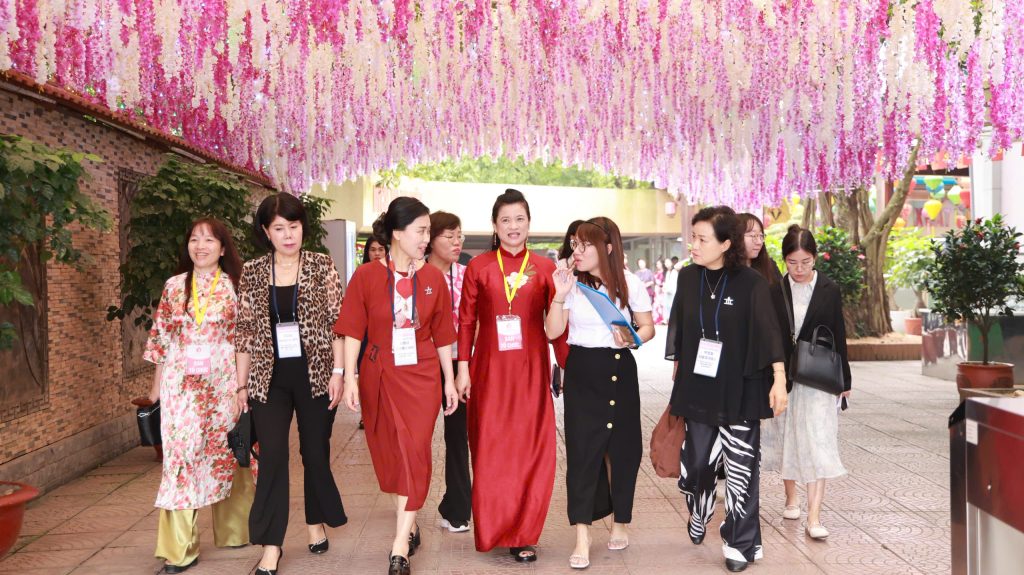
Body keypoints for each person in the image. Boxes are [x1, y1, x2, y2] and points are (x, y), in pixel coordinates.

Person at [335, 197, 459, 575]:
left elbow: (443, 334)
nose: (426, 239)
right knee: (388, 455)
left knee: (414, 452)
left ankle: (400, 545)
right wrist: (350, 377)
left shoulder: (433, 278)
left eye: (428, 232)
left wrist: (450, 381)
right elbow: (352, 329)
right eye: (420, 231)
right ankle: (410, 521)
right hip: (379, 372)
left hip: (422, 377)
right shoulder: (367, 276)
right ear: (397, 233)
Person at [664, 206, 788, 573]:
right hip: (699, 385)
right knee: (697, 465)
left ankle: (739, 542)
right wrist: (678, 371)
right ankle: (700, 508)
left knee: (741, 467)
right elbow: (680, 328)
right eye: (693, 237)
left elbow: (769, 333)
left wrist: (779, 379)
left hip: (741, 385)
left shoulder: (751, 283)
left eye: (702, 239)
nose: (694, 245)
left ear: (725, 244)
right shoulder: (688, 278)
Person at [235, 193, 347, 575]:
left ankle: (315, 521)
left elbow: (337, 322)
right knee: (272, 456)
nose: (288, 235)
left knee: (314, 453)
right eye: (279, 228)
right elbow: (245, 332)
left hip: (315, 375)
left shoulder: (321, 265)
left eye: (294, 227)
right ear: (266, 232)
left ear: (303, 228)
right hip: (269, 379)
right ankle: (271, 545)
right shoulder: (252, 271)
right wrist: (240, 387)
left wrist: (339, 373)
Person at [546, 217, 655, 570]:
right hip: (583, 370)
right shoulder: (571, 284)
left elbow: (648, 327)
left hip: (620, 369)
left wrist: (633, 339)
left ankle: (620, 520)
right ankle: (582, 535)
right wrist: (559, 295)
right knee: (582, 452)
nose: (576, 252)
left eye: (585, 245)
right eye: (574, 245)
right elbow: (553, 331)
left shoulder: (630, 283)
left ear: (607, 248)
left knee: (623, 450)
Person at [144, 218, 252, 574]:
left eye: (208, 240)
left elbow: (245, 341)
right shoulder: (174, 286)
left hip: (223, 386)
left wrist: (243, 387)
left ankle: (235, 531)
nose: (200, 246)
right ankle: (180, 549)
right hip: (182, 388)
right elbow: (161, 338)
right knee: (181, 458)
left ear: (222, 248)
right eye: (194, 239)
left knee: (227, 453)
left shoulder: (236, 286)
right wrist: (156, 388)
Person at [456, 189, 557, 562]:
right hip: (490, 372)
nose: (513, 226)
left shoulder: (545, 268)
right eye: (505, 220)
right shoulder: (479, 267)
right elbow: (466, 321)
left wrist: (568, 366)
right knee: (492, 450)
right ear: (495, 226)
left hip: (531, 373)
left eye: (519, 219)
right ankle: (494, 527)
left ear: (529, 223)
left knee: (531, 451)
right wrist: (462, 368)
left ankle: (523, 534)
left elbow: (557, 325)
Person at [764, 225, 851, 540]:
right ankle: (791, 497)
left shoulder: (829, 288)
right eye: (792, 262)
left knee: (818, 439)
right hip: (784, 377)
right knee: (785, 433)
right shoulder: (775, 291)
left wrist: (845, 379)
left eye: (805, 262)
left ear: (815, 258)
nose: (799, 269)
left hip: (818, 377)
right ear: (784, 260)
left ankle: (814, 517)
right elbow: (770, 334)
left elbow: (838, 333)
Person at [425, 211, 472, 533]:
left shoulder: (468, 275)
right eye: (449, 236)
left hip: (459, 365)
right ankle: (408, 510)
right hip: (422, 365)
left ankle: (458, 508)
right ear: (430, 239)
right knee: (417, 438)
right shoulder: (414, 274)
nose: (457, 242)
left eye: (460, 236)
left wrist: (463, 367)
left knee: (458, 436)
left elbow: (475, 322)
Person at [357, 236, 389, 429]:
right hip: (364, 334)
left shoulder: (392, 274)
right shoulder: (361, 274)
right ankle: (366, 413)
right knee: (365, 375)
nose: (377, 253)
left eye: (380, 249)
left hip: (384, 332)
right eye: (373, 249)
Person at [737, 213, 782, 285]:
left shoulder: (769, 265)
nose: (759, 242)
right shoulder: (724, 271)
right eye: (753, 235)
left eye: (761, 236)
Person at [662, 257, 678, 321]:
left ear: (671, 263)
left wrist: (668, 289)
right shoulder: (667, 272)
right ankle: (667, 319)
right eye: (665, 263)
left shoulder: (674, 271)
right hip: (667, 291)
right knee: (667, 306)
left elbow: (674, 283)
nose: (666, 264)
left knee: (672, 305)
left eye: (668, 262)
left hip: (672, 291)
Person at [653, 259, 666, 324]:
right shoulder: (656, 272)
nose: (657, 265)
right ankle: (657, 319)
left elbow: (664, 282)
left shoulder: (664, 272)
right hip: (657, 289)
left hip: (662, 290)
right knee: (656, 304)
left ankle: (663, 319)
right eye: (657, 264)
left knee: (662, 304)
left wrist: (661, 286)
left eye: (659, 264)